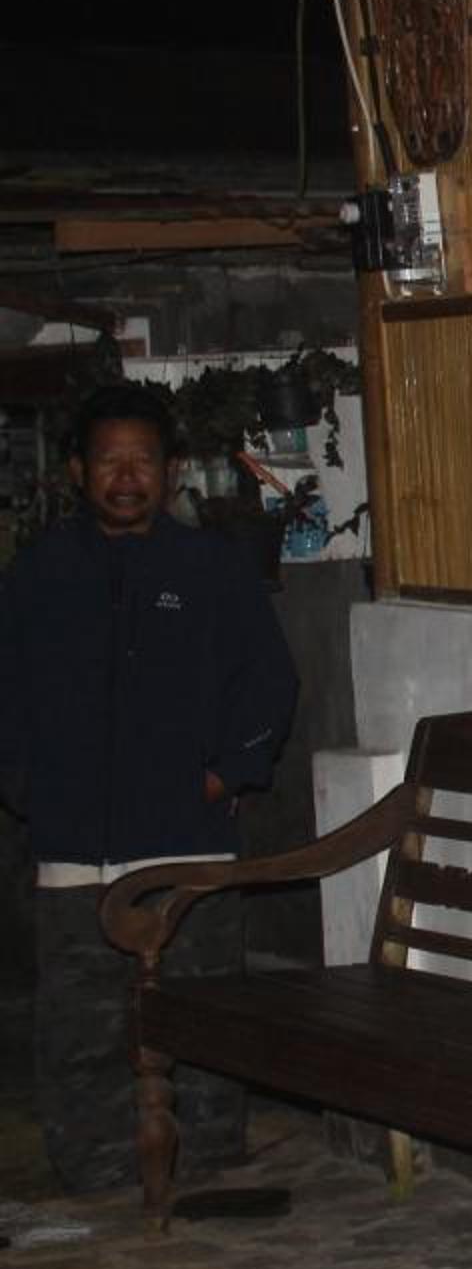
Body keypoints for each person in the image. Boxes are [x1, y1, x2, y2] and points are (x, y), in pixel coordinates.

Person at [0, 381, 298, 1194]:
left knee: (201, 1011)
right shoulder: (38, 574)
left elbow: (269, 683)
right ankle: (96, 1168)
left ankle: (207, 1158)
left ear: (172, 473)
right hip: (73, 849)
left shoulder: (210, 568)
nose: (126, 477)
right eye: (109, 462)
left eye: (142, 462)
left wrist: (227, 771)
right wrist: (27, 784)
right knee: (82, 1023)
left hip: (187, 842)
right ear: (77, 471)